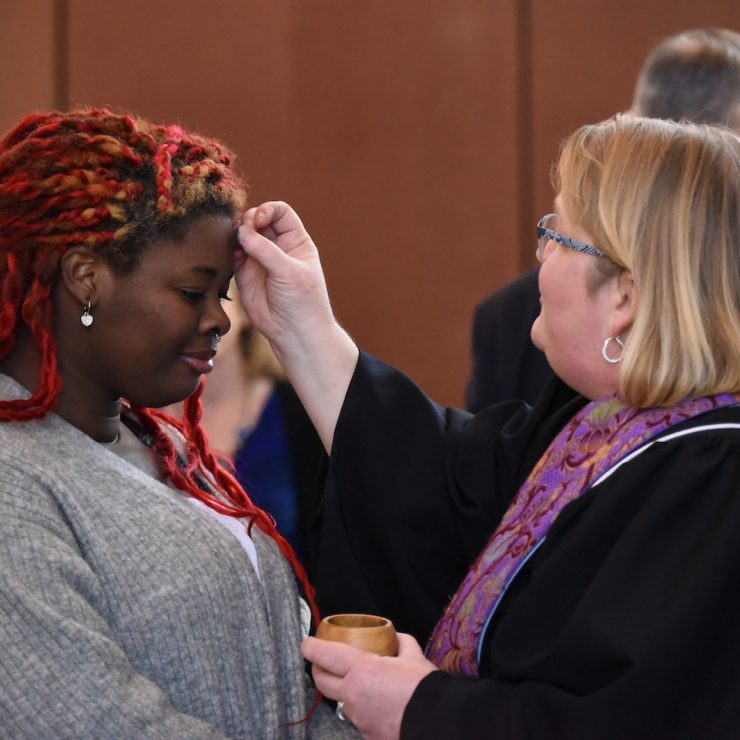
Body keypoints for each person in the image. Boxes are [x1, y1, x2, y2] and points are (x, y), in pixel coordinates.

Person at [235, 115, 740, 738]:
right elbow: (445, 485)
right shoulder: (606, 425)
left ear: (625, 299)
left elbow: (632, 720)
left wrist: (424, 710)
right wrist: (301, 325)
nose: (539, 256)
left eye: (558, 234)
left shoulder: (713, 476)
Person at [0, 108, 358, 738]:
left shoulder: (161, 441)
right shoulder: (13, 482)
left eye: (221, 295)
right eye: (195, 292)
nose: (221, 320)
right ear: (86, 279)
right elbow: (96, 724)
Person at [466, 26, 740, 412]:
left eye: (561, 233)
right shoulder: (514, 317)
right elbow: (483, 460)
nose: (544, 252)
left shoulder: (710, 448)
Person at [171, 279, 323, 570]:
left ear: (246, 311)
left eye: (220, 297)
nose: (201, 318)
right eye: (187, 297)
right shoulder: (136, 416)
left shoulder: (300, 411)